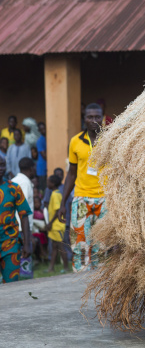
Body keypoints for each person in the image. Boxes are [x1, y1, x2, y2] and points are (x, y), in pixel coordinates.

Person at [58, 103, 106, 272]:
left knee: (103, 246)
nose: (94, 120)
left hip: (105, 199)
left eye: (97, 117)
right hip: (81, 199)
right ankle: (80, 285)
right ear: (84, 119)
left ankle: (101, 286)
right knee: (79, 244)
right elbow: (71, 174)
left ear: (103, 118)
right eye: (90, 117)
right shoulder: (75, 142)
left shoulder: (111, 139)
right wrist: (63, 202)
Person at [0, 157, 32, 283]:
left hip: (10, 243)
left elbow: (24, 216)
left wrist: (27, 243)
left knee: (12, 283)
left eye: (2, 165)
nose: (0, 168)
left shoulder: (13, 188)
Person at [45, 175, 69, 273]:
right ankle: (51, 268)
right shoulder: (57, 193)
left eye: (48, 182)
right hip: (55, 226)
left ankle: (66, 267)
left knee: (60, 246)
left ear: (53, 184)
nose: (47, 184)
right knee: (55, 247)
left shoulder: (55, 195)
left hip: (57, 225)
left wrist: (50, 223)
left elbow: (57, 211)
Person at [36, 122, 47, 191]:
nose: (44, 130)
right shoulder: (40, 141)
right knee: (43, 188)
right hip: (42, 167)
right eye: (41, 129)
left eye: (44, 128)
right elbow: (44, 156)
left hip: (45, 166)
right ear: (39, 131)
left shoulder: (47, 138)